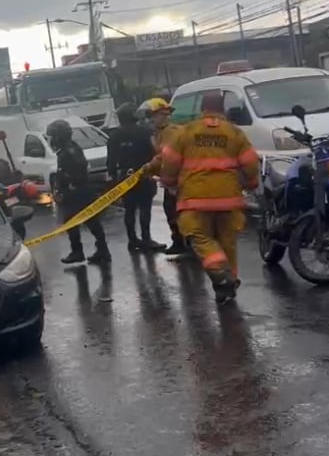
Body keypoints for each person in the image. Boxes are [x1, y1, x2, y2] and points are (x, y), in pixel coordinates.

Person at [159, 90, 260, 304]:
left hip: (195, 199)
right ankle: (228, 284)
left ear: (202, 109)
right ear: (222, 109)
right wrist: (252, 183)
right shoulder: (234, 132)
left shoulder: (187, 132)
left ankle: (222, 275)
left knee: (200, 237)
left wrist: (168, 181)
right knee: (227, 242)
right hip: (229, 198)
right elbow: (251, 162)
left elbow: (169, 159)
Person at [47, 119, 110, 264]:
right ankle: (101, 250)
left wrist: (72, 184)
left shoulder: (68, 151)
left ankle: (79, 251)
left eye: (53, 136)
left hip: (77, 193)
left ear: (59, 136)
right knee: (90, 221)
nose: (52, 140)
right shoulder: (69, 149)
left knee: (73, 221)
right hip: (79, 192)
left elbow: (79, 168)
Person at [107, 103, 163, 252]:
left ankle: (132, 240)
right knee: (145, 208)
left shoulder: (114, 136)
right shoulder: (144, 132)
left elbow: (111, 162)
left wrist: (114, 181)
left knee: (129, 210)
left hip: (124, 178)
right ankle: (146, 238)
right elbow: (155, 152)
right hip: (144, 174)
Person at [139, 97, 190, 257]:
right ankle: (179, 242)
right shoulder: (161, 133)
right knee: (171, 211)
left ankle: (187, 245)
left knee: (179, 213)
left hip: (180, 181)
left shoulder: (171, 133)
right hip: (174, 180)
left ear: (162, 114)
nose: (149, 120)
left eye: (151, 116)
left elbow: (167, 157)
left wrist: (150, 169)